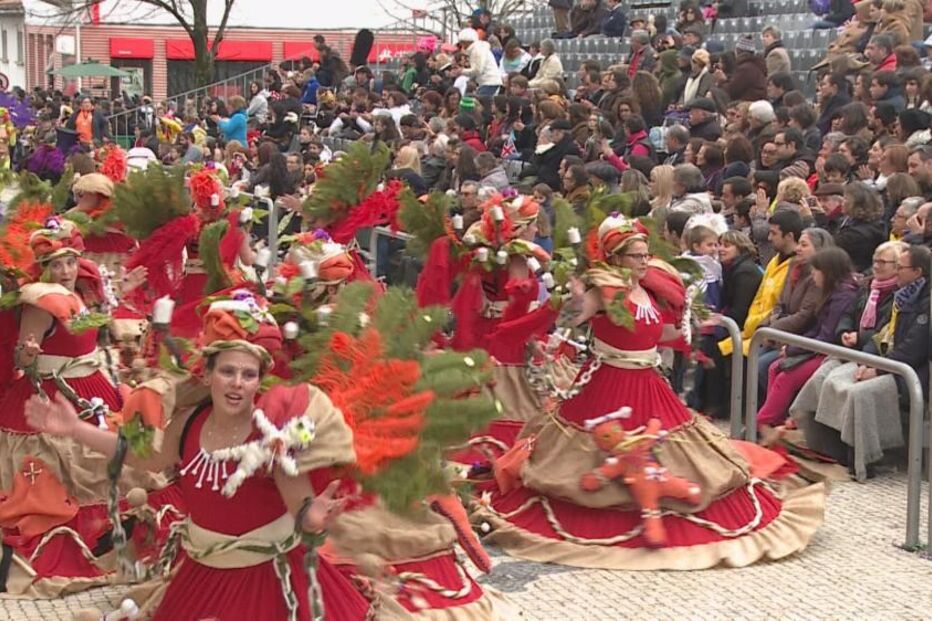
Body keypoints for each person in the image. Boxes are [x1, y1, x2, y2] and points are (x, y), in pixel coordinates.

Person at [475, 213, 825, 570]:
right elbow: (568, 319)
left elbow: (655, 334)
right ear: (617, 258)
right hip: (608, 386)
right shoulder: (603, 291)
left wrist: (690, 327)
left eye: (645, 255)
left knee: (672, 450)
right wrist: (572, 298)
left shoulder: (650, 290)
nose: (645, 261)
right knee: (599, 453)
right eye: (636, 256)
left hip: (649, 381)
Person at [24, 292, 372, 619]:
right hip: (202, 577)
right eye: (227, 371)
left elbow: (302, 509)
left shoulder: (271, 432)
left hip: (270, 585)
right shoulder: (190, 422)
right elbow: (144, 459)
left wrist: (315, 517)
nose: (237, 382)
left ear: (259, 382)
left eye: (248, 375)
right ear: (207, 374)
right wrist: (74, 428)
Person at [0, 217, 170, 596]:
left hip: (93, 391)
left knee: (118, 459)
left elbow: (86, 326)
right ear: (43, 268)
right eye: (57, 264)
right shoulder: (39, 303)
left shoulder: (79, 293)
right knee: (65, 471)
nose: (65, 271)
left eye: (71, 261)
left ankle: (115, 532)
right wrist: (27, 355)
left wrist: (119, 293)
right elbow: (23, 360)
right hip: (55, 397)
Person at [792, 244, 930, 480]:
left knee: (860, 393)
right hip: (883, 359)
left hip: (912, 372)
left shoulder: (925, 303)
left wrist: (876, 368)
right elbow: (881, 333)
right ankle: (826, 448)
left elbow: (913, 349)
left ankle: (865, 460)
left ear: (917, 272)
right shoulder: (902, 295)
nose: (896, 271)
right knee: (827, 380)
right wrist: (865, 358)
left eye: (900, 267)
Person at [757, 247, 859, 428]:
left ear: (827, 272)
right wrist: (791, 347)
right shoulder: (830, 293)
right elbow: (817, 328)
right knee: (774, 367)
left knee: (786, 377)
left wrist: (793, 349)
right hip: (817, 347)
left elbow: (826, 337)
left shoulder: (843, 297)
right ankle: (773, 422)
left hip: (831, 353)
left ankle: (761, 423)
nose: (812, 275)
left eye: (815, 271)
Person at [833, 182, 887, 272]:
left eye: (846, 198)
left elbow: (827, 246)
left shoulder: (858, 234)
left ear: (857, 204)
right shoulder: (846, 221)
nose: (842, 202)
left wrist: (810, 220)